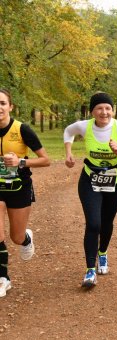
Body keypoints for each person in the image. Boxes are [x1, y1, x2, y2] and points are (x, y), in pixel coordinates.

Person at [64, 92, 117, 288]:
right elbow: (68, 131)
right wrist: (68, 152)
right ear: (92, 111)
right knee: (93, 223)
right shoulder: (84, 126)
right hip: (90, 179)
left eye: (108, 108)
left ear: (112, 110)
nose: (104, 112)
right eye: (99, 108)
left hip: (116, 181)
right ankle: (90, 270)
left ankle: (103, 252)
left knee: (106, 222)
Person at [0, 89, 51, 298]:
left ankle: (26, 239)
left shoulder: (22, 130)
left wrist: (20, 162)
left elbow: (46, 160)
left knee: (15, 236)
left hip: (19, 189)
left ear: (10, 106)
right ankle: (3, 278)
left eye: (2, 103)